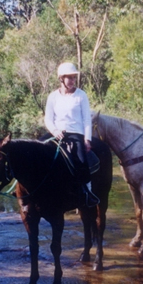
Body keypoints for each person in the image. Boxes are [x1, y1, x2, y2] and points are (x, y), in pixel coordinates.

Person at [44, 62, 99, 207]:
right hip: (56, 133)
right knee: (36, 149)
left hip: (76, 133)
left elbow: (87, 119)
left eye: (74, 78)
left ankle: (88, 193)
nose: (73, 80)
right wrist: (54, 130)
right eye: (70, 78)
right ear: (61, 78)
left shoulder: (81, 95)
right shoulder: (53, 96)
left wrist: (87, 139)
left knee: (81, 161)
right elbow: (48, 118)